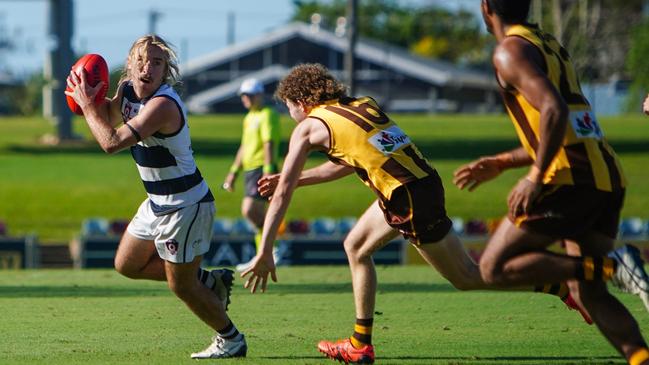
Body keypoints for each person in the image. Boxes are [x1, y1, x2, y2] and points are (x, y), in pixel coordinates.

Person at [239, 63, 640, 364]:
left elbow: (282, 196)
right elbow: (353, 161)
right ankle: (360, 345)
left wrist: (265, 249)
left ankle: (590, 273)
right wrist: (300, 180)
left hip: (406, 198)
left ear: (300, 102)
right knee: (356, 246)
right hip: (417, 186)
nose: (290, 113)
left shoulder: (308, 127)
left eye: (289, 106)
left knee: (468, 277)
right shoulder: (360, 105)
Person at [453, 1, 649, 364]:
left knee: (492, 268)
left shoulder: (509, 50)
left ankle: (615, 265)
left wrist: (534, 177)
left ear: (485, 7)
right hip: (603, 175)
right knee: (587, 290)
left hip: (569, 181)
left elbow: (554, 111)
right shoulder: (546, 43)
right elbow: (564, 125)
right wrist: (503, 161)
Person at [65, 35, 247, 359]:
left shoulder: (163, 105)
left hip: (185, 205)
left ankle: (231, 338)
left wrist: (89, 108)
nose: (147, 68)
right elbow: (106, 117)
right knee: (126, 264)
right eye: (141, 60)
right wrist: (89, 99)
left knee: (182, 287)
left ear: (167, 71)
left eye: (157, 62)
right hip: (156, 203)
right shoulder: (126, 90)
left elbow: (110, 141)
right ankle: (207, 280)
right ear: (130, 63)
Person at [221, 78, 282, 272]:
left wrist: (268, 170)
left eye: (248, 95)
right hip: (249, 170)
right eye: (243, 95)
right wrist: (233, 173)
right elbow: (244, 146)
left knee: (249, 210)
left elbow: (269, 143)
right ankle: (265, 252)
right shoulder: (249, 118)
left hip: (261, 168)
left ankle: (270, 249)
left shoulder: (268, 114)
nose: (244, 99)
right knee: (257, 214)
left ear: (259, 95)